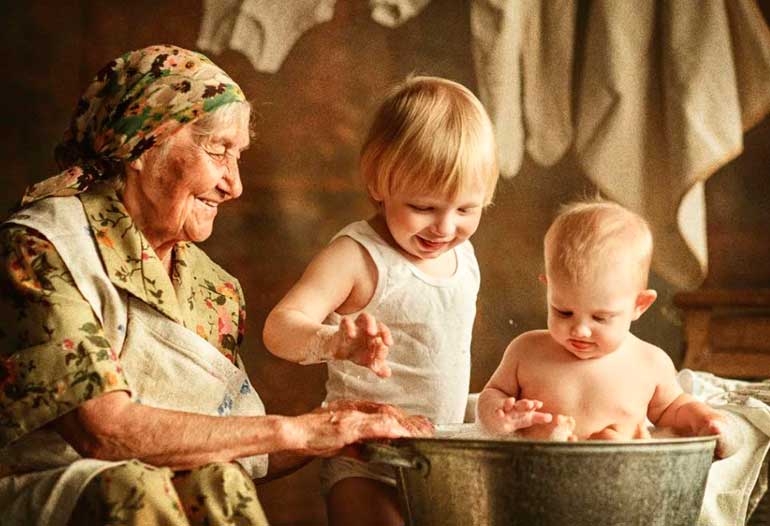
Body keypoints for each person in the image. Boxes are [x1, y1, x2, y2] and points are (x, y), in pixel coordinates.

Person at [0, 44, 429, 526]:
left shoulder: (211, 288)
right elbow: (104, 433)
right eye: (218, 150)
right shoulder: (44, 247)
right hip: (39, 492)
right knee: (133, 486)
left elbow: (232, 446)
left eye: (239, 155)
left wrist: (333, 423)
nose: (234, 185)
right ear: (142, 144)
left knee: (218, 479)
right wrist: (296, 431)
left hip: (143, 489)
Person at [263, 76, 500, 526]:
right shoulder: (355, 257)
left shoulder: (462, 257)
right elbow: (280, 328)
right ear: (378, 182)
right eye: (425, 207)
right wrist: (333, 343)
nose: (445, 228)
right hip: (365, 461)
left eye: (467, 210)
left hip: (444, 457)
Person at [476, 199, 732, 457]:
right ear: (549, 289)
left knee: (616, 440)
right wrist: (498, 417)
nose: (580, 330)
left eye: (600, 318)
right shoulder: (527, 351)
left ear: (639, 305)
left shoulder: (649, 363)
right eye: (563, 311)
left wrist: (704, 418)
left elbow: (672, 409)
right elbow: (491, 394)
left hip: (614, 480)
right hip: (536, 476)